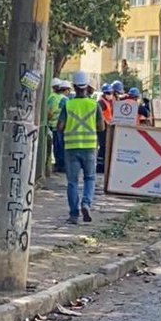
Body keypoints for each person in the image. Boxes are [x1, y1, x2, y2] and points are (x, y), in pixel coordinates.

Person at [58, 72, 104, 224]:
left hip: (71, 148)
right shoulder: (94, 105)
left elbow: (60, 126)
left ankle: (73, 214)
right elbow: (101, 127)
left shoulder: (68, 105)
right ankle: (86, 203)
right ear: (88, 87)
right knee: (90, 178)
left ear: (74, 86)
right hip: (90, 147)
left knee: (72, 182)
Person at [46, 79, 69, 174]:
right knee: (61, 146)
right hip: (61, 126)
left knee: (57, 147)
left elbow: (49, 112)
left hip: (54, 125)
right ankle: (62, 165)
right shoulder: (64, 99)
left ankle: (59, 165)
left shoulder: (52, 97)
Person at [97, 85, 114, 174]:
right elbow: (101, 116)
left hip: (107, 127)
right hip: (103, 128)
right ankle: (100, 166)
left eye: (110, 93)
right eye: (108, 93)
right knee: (103, 147)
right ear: (104, 93)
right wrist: (106, 123)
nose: (110, 95)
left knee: (105, 147)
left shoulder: (108, 102)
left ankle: (103, 165)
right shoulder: (101, 103)